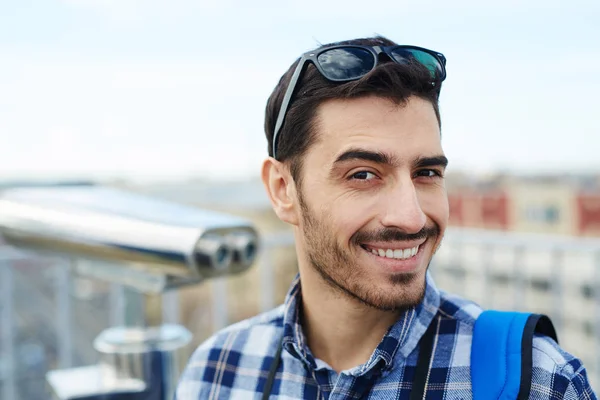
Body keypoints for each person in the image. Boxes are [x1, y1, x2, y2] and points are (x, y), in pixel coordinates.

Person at [175, 36, 596, 399]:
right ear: (283, 190)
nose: (411, 217)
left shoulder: (538, 381)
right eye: (363, 174)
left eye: (426, 173)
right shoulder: (218, 371)